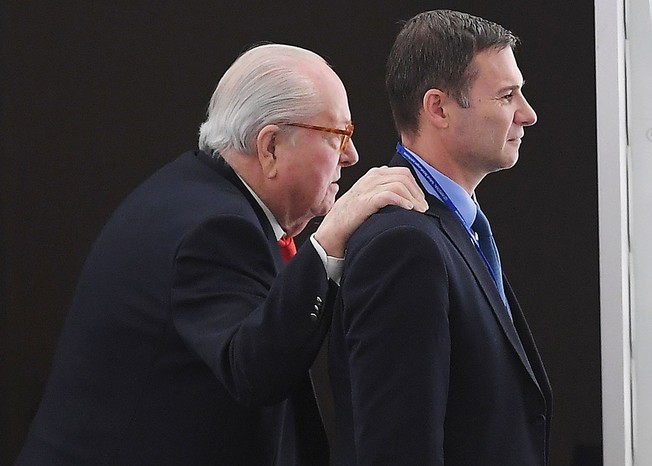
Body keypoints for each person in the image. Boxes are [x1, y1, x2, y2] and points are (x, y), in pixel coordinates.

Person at [15, 43, 427, 465]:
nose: (351, 155)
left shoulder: (197, 192)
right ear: (270, 148)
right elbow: (252, 370)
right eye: (338, 135)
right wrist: (330, 241)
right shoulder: (215, 230)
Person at [328, 10, 553, 465]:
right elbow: (397, 448)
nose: (527, 115)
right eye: (507, 96)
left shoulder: (449, 228)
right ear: (439, 109)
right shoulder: (404, 245)